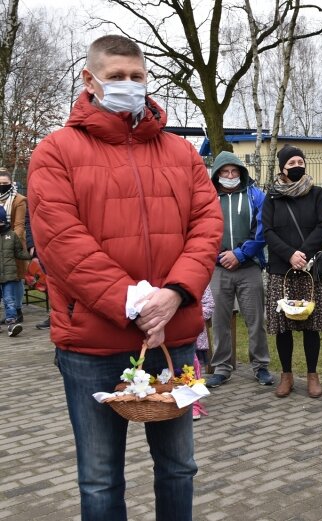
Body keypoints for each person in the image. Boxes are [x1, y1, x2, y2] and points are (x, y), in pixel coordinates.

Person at [27, 35, 223, 520]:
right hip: (90, 342)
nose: (129, 85)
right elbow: (61, 242)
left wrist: (175, 294)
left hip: (170, 339)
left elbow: (207, 225)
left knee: (180, 467)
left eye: (137, 77)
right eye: (116, 77)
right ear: (90, 80)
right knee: (99, 478)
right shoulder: (56, 152)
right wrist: (134, 300)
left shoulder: (180, 152)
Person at [262, 144, 322, 399]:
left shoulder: (317, 193)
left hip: (309, 269)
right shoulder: (272, 197)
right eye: (291, 164)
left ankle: (313, 375)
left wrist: (302, 253)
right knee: (283, 326)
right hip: (282, 269)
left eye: (300, 162)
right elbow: (267, 231)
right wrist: (289, 254)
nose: (296, 167)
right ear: (282, 168)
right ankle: (286, 375)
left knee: (311, 324)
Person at [204, 151, 274, 388]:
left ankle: (261, 366)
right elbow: (200, 231)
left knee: (255, 320)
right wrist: (219, 257)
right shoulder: (207, 197)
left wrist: (241, 254)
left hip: (249, 267)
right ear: (217, 174)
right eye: (225, 172)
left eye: (234, 171)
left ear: (241, 173)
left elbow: (263, 230)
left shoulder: (255, 195)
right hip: (218, 268)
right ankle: (222, 368)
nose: (230, 176)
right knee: (219, 320)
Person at [0, 169, 28, 324]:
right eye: (0, 184)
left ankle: (17, 311)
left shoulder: (19, 200)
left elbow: (19, 225)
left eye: (5, 184)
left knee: (15, 277)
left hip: (13, 243)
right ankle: (9, 311)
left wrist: (9, 242)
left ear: (11, 183)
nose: (2, 186)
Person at [0, 206, 31, 336]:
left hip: (9, 274)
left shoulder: (12, 235)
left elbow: (19, 253)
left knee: (9, 299)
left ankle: (12, 324)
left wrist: (31, 254)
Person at [193, 285, 214, 420]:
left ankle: (194, 402)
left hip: (193, 333)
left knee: (193, 368)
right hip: (167, 335)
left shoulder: (200, 281)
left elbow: (209, 305)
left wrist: (193, 316)